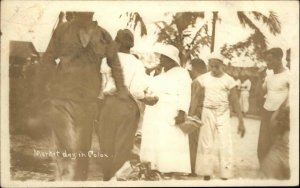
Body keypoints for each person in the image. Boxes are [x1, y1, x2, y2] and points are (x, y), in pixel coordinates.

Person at [31, 12, 127, 181]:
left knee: (82, 150)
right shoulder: (62, 30)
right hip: (61, 97)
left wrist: (122, 89)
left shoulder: (104, 35)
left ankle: (78, 182)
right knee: (67, 148)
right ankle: (65, 181)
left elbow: (115, 64)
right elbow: (48, 59)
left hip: (88, 101)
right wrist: (39, 92)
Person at [97, 29, 157, 181]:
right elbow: (137, 91)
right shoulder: (137, 63)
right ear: (131, 46)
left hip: (108, 104)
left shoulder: (106, 60)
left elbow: (99, 87)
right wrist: (146, 99)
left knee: (106, 143)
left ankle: (106, 178)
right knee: (122, 145)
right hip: (126, 106)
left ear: (116, 43)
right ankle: (117, 179)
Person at [140, 44, 192, 179]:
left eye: (163, 58)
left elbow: (185, 93)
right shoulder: (163, 74)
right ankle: (158, 167)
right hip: (157, 110)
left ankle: (172, 168)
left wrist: (182, 111)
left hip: (171, 111)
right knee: (158, 139)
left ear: (171, 59)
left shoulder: (182, 72)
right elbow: (151, 87)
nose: (161, 60)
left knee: (171, 139)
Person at [195, 52, 246, 180]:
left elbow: (235, 101)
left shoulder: (229, 80)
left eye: (216, 66)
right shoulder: (204, 78)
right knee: (206, 142)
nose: (213, 69)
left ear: (223, 65)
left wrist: (241, 121)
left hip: (223, 112)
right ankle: (205, 172)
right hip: (207, 111)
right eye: (211, 66)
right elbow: (196, 97)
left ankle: (226, 173)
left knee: (225, 142)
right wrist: (191, 114)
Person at [257, 47, 290, 166]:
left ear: (279, 59)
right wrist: (259, 78)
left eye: (270, 60)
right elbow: (260, 94)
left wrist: (283, 112)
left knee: (277, 143)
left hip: (280, 115)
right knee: (263, 143)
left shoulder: (289, 75)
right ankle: (264, 169)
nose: (268, 63)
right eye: (267, 61)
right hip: (267, 112)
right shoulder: (268, 77)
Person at [187, 58, 207, 176]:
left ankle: (193, 168)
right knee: (203, 141)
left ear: (194, 68)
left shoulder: (196, 81)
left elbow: (194, 101)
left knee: (193, 141)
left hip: (197, 112)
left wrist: (190, 116)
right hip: (207, 113)